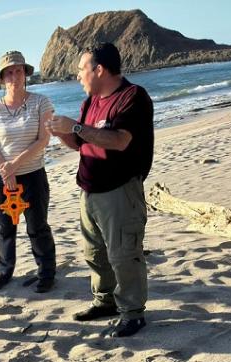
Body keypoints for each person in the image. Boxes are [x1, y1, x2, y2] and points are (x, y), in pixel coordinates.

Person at [48, 42, 155, 338]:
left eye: (82, 70)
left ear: (99, 69)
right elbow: (81, 144)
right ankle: (105, 301)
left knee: (124, 254)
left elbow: (119, 140)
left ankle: (133, 312)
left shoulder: (133, 97)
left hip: (121, 190)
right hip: (89, 189)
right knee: (95, 253)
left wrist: (77, 128)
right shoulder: (90, 102)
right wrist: (61, 133)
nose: (78, 76)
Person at [0, 51, 56, 293]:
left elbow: (43, 140)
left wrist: (15, 164)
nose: (14, 75)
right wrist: (5, 168)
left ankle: (46, 272)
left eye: (19, 70)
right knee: (5, 227)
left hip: (33, 173)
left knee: (37, 226)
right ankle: (5, 271)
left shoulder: (41, 102)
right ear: (2, 78)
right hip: (0, 177)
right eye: (9, 72)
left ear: (25, 74)